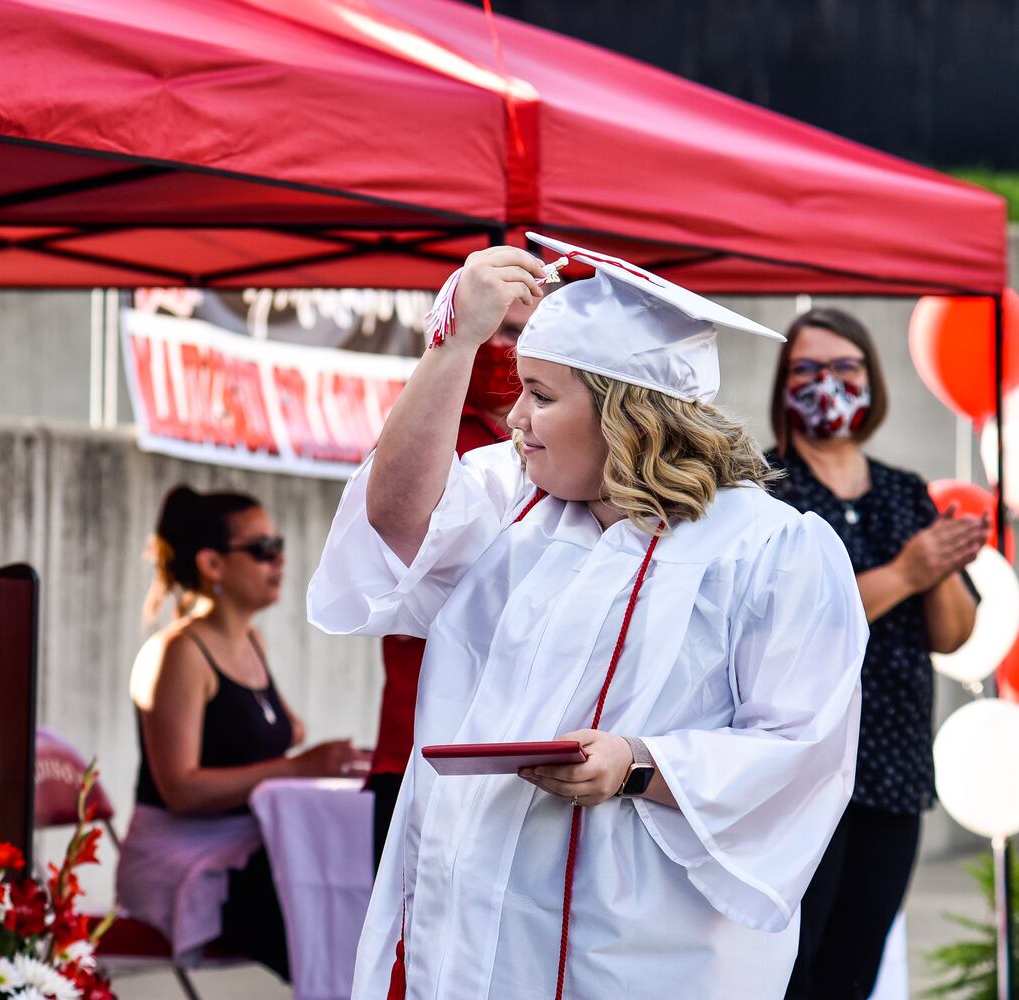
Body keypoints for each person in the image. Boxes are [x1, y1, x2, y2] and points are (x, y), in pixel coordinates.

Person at [308, 234, 868, 1000]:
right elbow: (395, 521)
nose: (514, 417)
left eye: (541, 393)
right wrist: (453, 342)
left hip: (644, 941)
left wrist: (637, 763)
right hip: (479, 924)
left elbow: (801, 748)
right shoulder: (512, 504)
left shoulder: (771, 548)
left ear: (628, 415)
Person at [768, 307, 983, 1000]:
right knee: (788, 968)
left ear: (870, 381)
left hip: (891, 768)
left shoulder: (902, 490)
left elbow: (950, 635)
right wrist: (906, 573)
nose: (826, 384)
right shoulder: (766, 490)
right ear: (781, 386)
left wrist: (939, 567)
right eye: (806, 369)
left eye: (843, 369)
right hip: (795, 775)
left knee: (853, 968)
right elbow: (789, 624)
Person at [117, 485, 370, 980]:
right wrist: (298, 766)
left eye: (278, 546)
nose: (278, 560)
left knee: (351, 882)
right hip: (182, 856)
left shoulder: (251, 642)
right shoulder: (180, 654)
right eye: (262, 549)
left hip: (243, 845)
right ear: (212, 565)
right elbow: (181, 790)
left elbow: (281, 727)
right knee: (314, 907)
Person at [367, 314, 521, 872]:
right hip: (417, 742)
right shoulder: (428, 436)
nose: (506, 349)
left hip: (517, 751)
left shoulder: (573, 452)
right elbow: (390, 538)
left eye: (525, 332)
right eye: (496, 329)